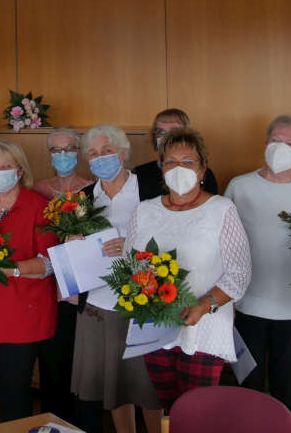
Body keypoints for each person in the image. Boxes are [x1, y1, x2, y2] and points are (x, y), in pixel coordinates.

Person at [130, 128, 251, 410]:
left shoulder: (221, 209)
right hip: (155, 327)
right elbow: (131, 264)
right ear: (161, 168)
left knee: (199, 413)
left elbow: (240, 274)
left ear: (202, 169)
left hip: (204, 327)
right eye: (170, 162)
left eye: (188, 162)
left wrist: (204, 304)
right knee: (169, 409)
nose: (178, 168)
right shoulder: (144, 211)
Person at [225, 114, 291, 417]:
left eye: (289, 143)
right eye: (275, 141)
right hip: (247, 302)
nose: (280, 147)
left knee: (286, 384)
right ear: (265, 145)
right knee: (247, 381)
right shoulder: (239, 186)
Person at [71, 124, 161, 433]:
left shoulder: (150, 189)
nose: (99, 159)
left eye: (106, 151)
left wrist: (132, 245)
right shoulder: (83, 198)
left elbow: (172, 237)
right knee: (114, 384)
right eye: (93, 154)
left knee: (148, 385)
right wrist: (72, 241)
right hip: (98, 302)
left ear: (123, 153)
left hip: (143, 301)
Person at [0, 140, 63, 422]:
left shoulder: (37, 205)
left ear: (20, 170)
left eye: (7, 166)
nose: (0, 171)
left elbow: (49, 263)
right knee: (2, 387)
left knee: (14, 392)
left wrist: (12, 270)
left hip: (22, 315)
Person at [133, 109, 218, 200]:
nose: (166, 137)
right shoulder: (139, 173)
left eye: (173, 131)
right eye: (160, 132)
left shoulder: (203, 173)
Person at [33, 128, 93, 200]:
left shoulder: (92, 188)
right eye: (56, 149)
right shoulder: (40, 188)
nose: (63, 154)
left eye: (69, 148)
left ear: (78, 152)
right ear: (50, 154)